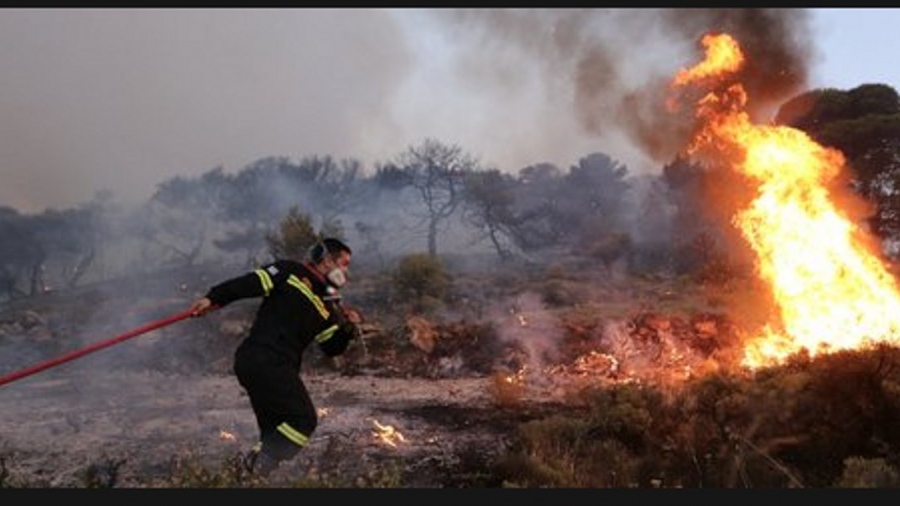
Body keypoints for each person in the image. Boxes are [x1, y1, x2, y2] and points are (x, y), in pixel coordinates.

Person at [189, 236, 362, 477]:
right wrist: (213, 297)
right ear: (326, 259)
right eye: (343, 263)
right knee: (303, 420)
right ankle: (248, 470)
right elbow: (249, 284)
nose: (346, 270)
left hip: (276, 366)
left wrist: (347, 330)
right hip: (263, 357)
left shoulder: (328, 305)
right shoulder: (290, 271)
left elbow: (332, 348)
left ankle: (249, 478)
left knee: (274, 432)